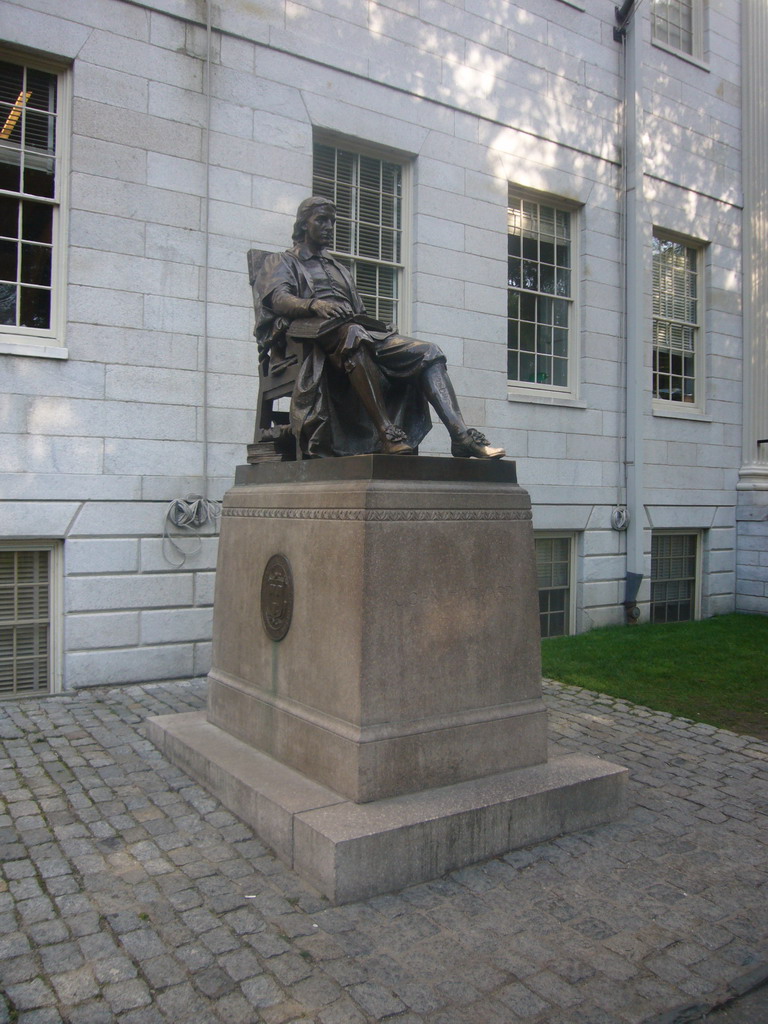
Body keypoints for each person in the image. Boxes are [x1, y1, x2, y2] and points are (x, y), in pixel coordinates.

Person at [255, 196, 506, 460]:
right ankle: (386, 432)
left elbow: (357, 312)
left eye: (332, 221)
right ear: (304, 225)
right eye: (322, 220)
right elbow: (278, 299)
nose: (329, 226)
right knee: (354, 334)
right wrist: (314, 305)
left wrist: (379, 326)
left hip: (357, 332)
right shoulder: (281, 261)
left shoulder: (339, 268)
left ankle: (461, 436)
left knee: (428, 352)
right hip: (313, 339)